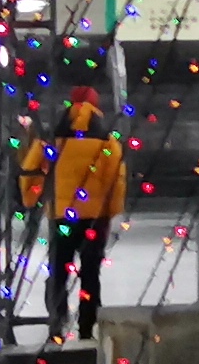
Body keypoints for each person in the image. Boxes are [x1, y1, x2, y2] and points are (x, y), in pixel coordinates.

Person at [25, 96, 125, 338]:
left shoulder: (52, 139)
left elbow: (30, 169)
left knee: (59, 270)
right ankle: (87, 326)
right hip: (95, 218)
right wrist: (110, 210)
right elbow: (117, 180)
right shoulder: (108, 141)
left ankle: (57, 320)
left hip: (61, 215)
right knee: (90, 272)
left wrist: (32, 198)